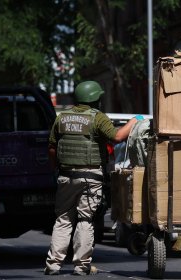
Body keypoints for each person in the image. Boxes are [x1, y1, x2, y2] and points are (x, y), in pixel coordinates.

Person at [44, 80, 140, 276]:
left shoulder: (61, 118)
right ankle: (81, 266)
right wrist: (134, 121)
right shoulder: (97, 118)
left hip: (66, 176)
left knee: (63, 219)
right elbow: (118, 137)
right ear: (95, 98)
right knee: (85, 220)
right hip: (90, 178)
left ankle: (53, 265)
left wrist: (55, 170)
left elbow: (52, 147)